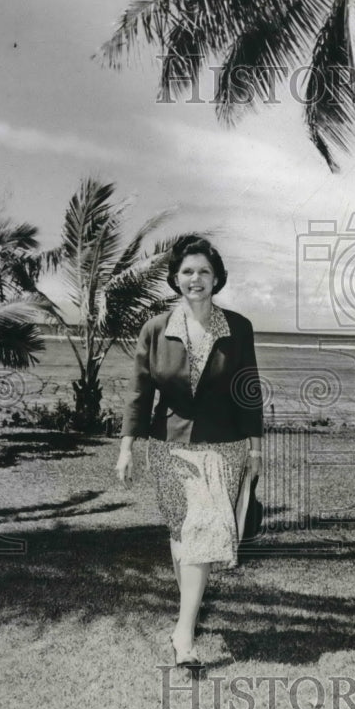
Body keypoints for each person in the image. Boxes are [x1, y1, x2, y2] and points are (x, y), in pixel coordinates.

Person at [115, 235, 263, 668]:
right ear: (175, 279)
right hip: (169, 446)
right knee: (184, 535)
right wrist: (127, 448)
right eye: (187, 272)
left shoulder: (238, 328)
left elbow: (249, 392)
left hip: (223, 445)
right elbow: (139, 394)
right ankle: (188, 618)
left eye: (203, 271)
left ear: (216, 278)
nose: (195, 279)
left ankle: (183, 635)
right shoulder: (156, 330)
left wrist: (255, 450)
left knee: (200, 532)